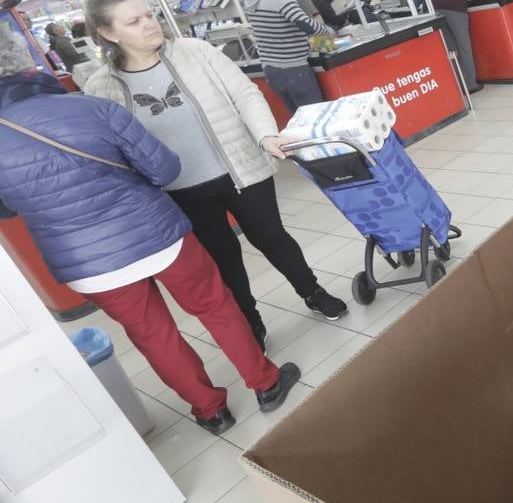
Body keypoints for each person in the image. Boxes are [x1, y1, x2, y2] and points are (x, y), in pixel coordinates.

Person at [0, 31, 301, 434]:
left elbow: (6, 210)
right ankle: (266, 383)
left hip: (87, 262)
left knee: (152, 335)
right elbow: (164, 169)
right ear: (24, 62)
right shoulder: (90, 107)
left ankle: (210, 410)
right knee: (215, 305)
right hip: (157, 234)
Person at [82, 0, 349, 350]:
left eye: (149, 15)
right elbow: (111, 146)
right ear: (108, 33)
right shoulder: (101, 86)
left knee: (272, 237)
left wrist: (266, 136)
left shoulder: (195, 52)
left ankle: (312, 291)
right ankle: (250, 321)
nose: (149, 24)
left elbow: (245, 93)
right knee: (223, 259)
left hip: (240, 170)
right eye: (134, 21)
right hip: (180, 191)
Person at [246, 0, 333, 113]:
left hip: (272, 72)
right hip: (294, 71)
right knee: (315, 116)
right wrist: (328, 32)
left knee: (298, 120)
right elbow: (306, 24)